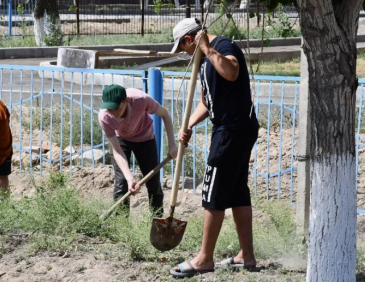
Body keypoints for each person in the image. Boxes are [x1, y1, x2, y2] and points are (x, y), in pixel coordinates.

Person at [169, 18, 259, 278]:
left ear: (190, 40)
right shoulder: (205, 61)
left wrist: (207, 49)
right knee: (238, 191)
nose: (186, 54)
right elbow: (208, 102)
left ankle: (204, 259)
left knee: (214, 192)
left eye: (185, 48)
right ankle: (247, 256)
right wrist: (189, 124)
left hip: (232, 130)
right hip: (235, 129)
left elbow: (232, 71)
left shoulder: (223, 47)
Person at [98, 85, 178, 217]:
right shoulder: (104, 116)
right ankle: (120, 226)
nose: (113, 112)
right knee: (122, 182)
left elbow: (165, 114)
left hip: (144, 138)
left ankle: (156, 222)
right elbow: (117, 151)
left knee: (153, 184)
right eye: (109, 108)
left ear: (127, 101)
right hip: (121, 140)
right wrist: (130, 179)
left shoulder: (141, 99)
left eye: (116, 108)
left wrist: (172, 144)